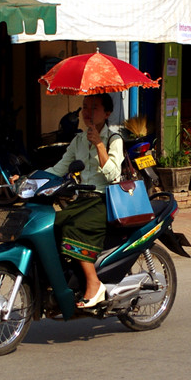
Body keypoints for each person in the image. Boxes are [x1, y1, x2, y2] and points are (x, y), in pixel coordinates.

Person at [45, 93, 123, 308]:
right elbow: (58, 169)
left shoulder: (114, 140)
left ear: (107, 113)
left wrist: (99, 144)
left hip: (103, 200)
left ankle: (94, 284)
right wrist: (29, 179)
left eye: (94, 108)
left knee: (73, 227)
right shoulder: (78, 140)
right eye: (84, 107)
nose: (87, 113)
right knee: (52, 224)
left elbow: (112, 175)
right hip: (80, 200)